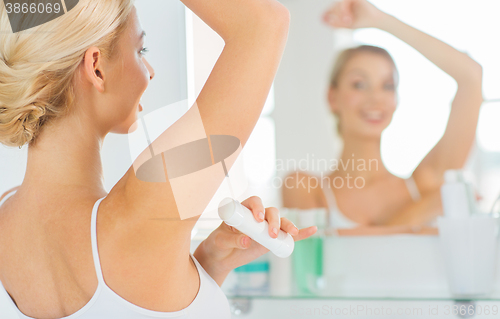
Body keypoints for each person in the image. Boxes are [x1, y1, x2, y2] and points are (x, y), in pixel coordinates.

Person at [0, 0, 316, 318]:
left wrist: (207, 265)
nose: (149, 73)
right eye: (141, 51)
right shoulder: (143, 209)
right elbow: (264, 23)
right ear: (96, 67)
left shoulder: (5, 219)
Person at [282, 0, 483, 236]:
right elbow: (326, 262)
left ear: (396, 100)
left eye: (387, 86)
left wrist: (381, 21)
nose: (375, 98)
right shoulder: (305, 187)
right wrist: (419, 211)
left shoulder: (423, 184)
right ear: (332, 97)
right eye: (359, 84)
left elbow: (471, 76)